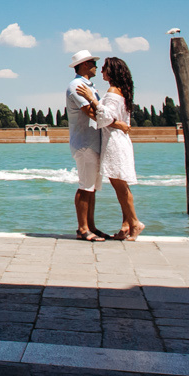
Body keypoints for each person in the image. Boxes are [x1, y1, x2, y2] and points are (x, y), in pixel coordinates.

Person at [95, 56, 145, 240]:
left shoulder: (112, 91)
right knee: (121, 184)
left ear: (112, 71)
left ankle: (135, 222)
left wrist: (91, 101)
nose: (101, 71)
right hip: (122, 140)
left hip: (114, 141)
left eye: (104, 68)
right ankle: (126, 226)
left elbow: (105, 118)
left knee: (119, 185)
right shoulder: (124, 91)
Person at [64, 48, 109, 241]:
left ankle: (90, 225)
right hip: (84, 143)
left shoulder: (89, 86)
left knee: (91, 187)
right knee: (85, 186)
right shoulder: (76, 86)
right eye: (93, 63)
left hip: (92, 141)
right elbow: (90, 112)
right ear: (84, 65)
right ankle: (83, 228)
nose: (96, 67)